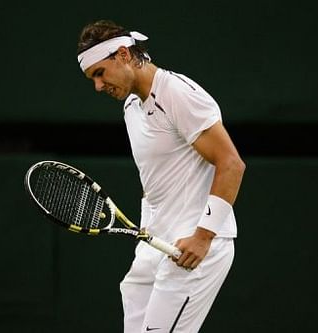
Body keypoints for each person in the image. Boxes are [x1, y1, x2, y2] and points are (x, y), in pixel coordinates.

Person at [76, 20, 245, 333]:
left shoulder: (177, 93)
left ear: (124, 54)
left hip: (193, 249)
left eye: (100, 73)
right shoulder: (130, 105)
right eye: (92, 79)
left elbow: (231, 164)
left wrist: (204, 236)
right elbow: (155, 180)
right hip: (156, 247)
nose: (98, 86)